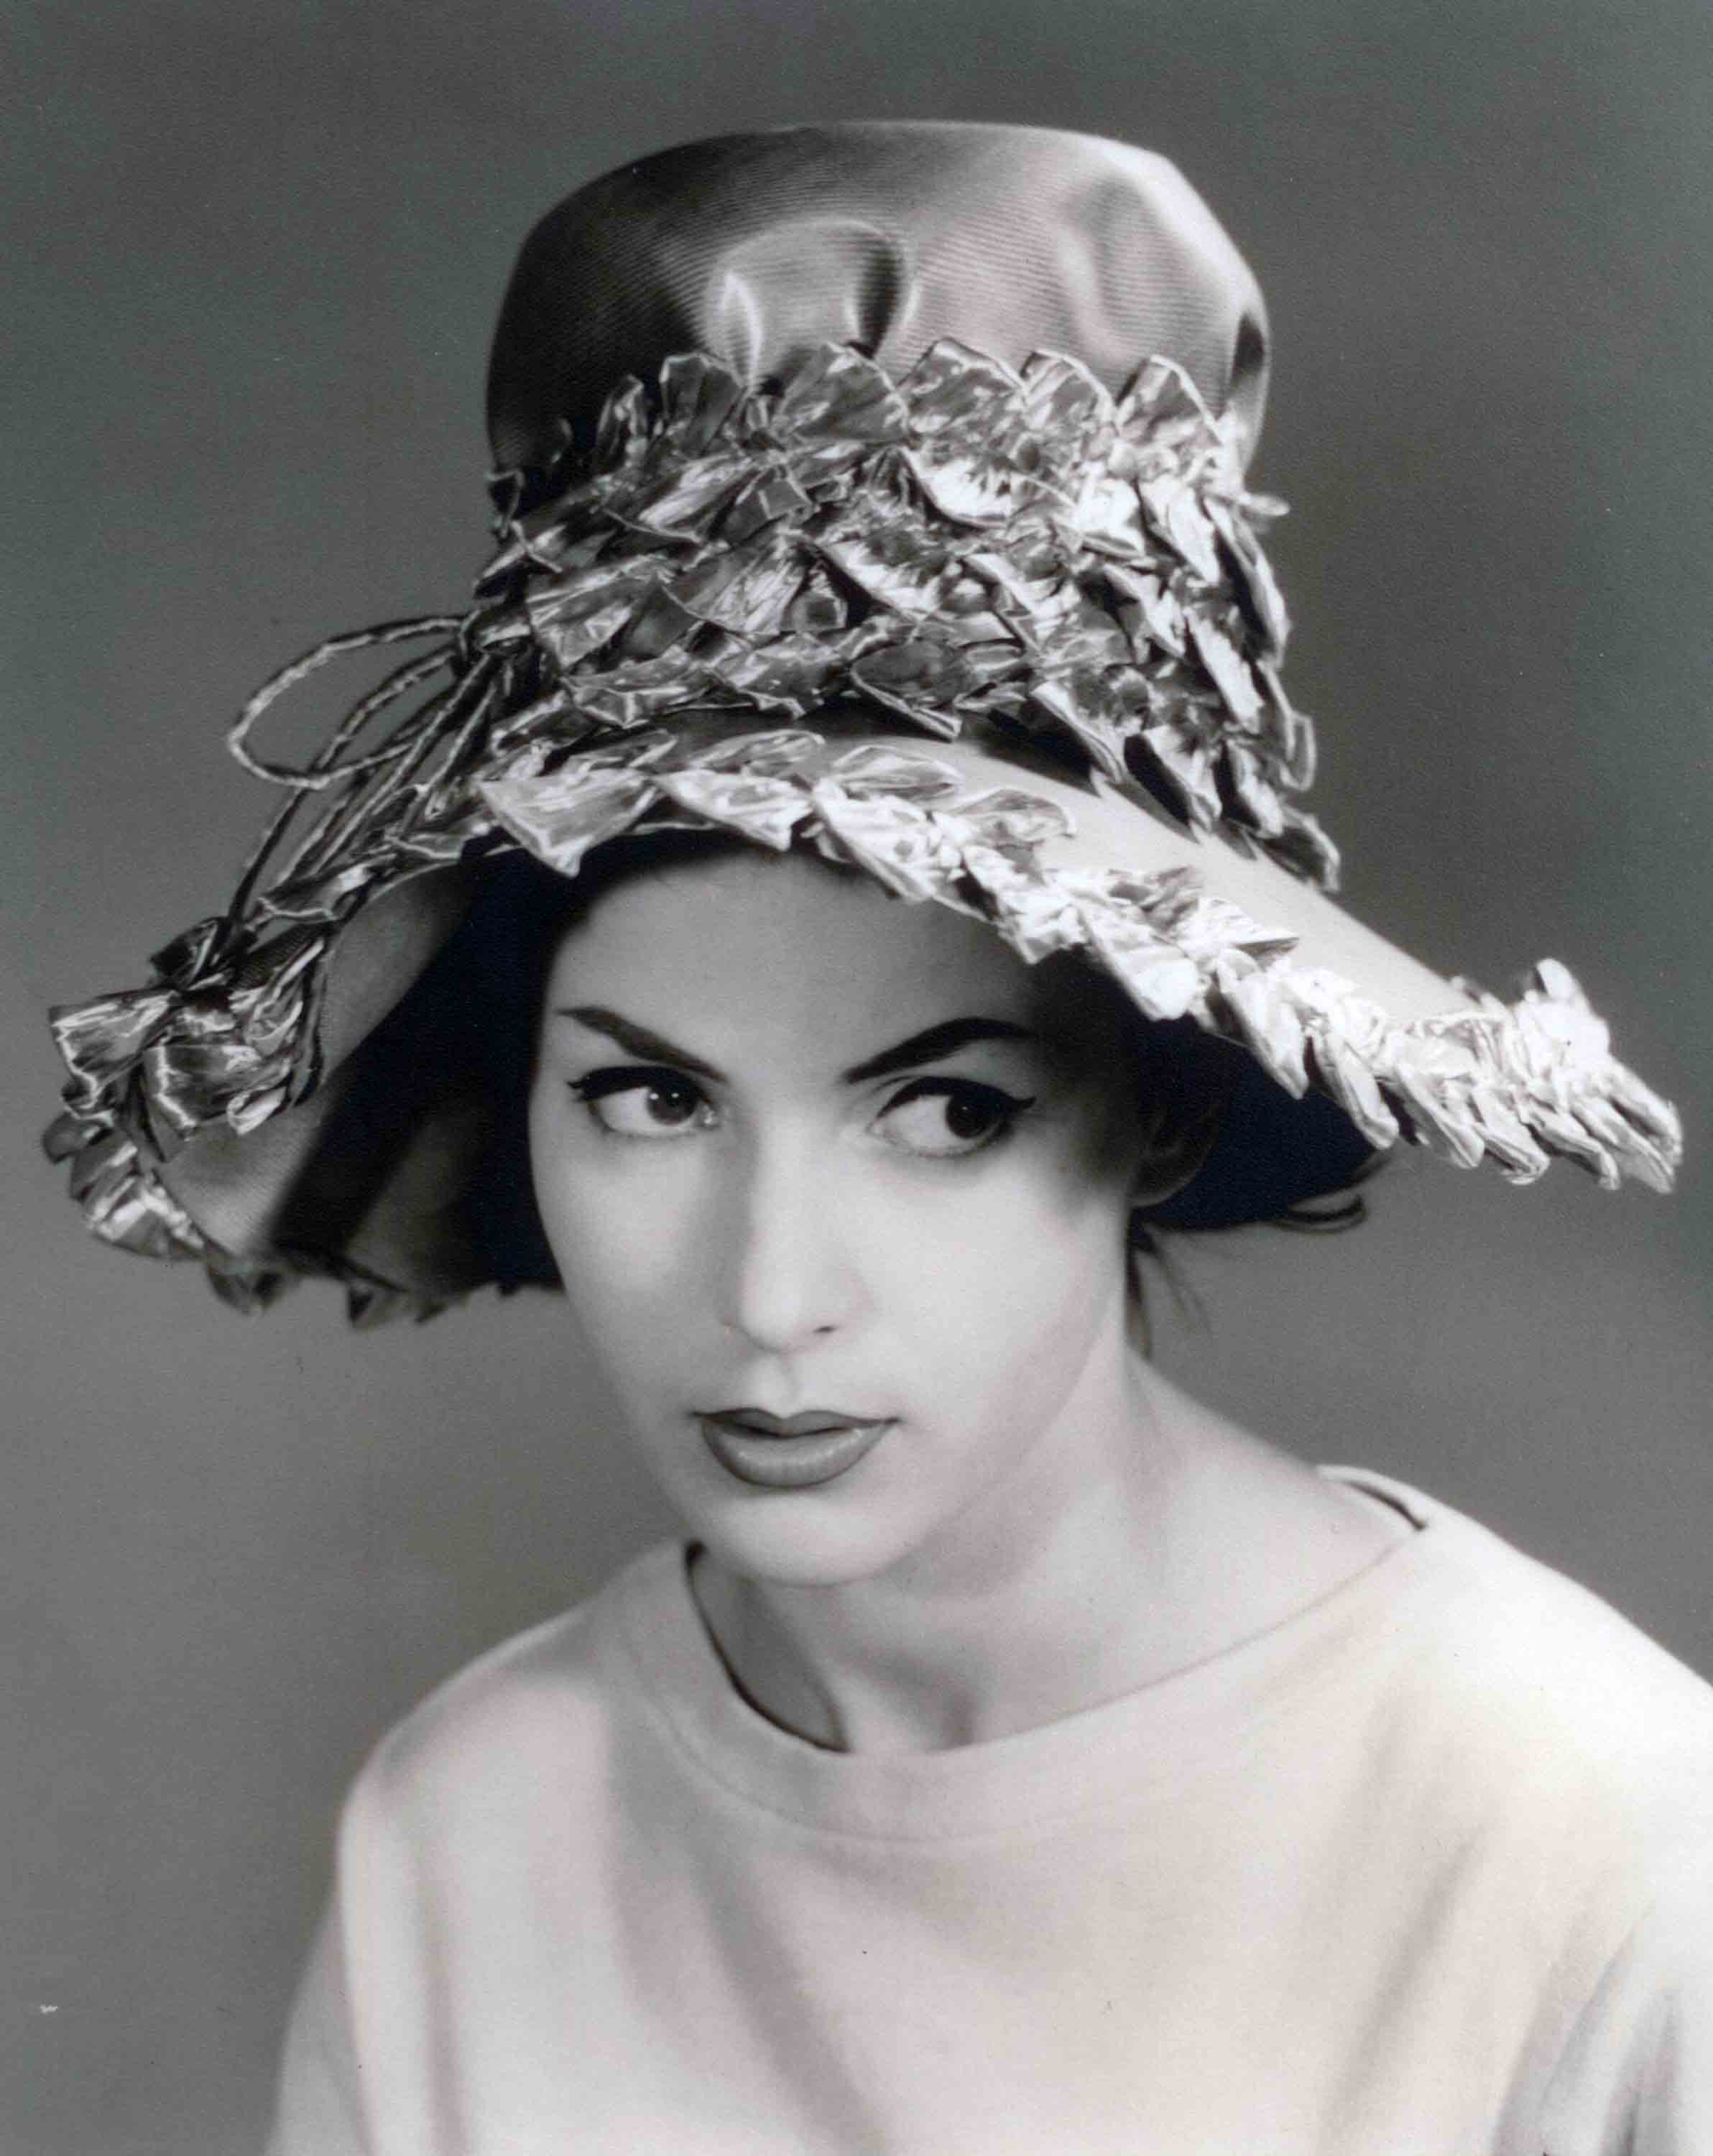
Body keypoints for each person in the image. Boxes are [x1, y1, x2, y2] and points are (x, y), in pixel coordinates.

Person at [42, 124, 1710, 2154]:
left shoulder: (1595, 1833)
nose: (769, 1297)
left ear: (1162, 1102)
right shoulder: (469, 1834)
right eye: (652, 1097)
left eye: (944, 1109)